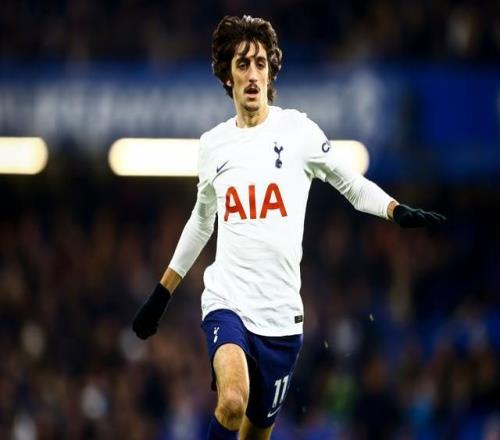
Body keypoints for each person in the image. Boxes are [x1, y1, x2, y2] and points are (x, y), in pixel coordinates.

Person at [132, 15, 446, 440]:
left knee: (255, 432)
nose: (252, 74)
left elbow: (352, 185)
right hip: (228, 303)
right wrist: (162, 294)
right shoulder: (213, 146)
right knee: (232, 402)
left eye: (260, 63)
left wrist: (395, 210)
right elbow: (202, 220)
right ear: (227, 75)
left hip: (282, 320)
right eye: (242, 63)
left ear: (271, 73)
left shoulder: (298, 132)